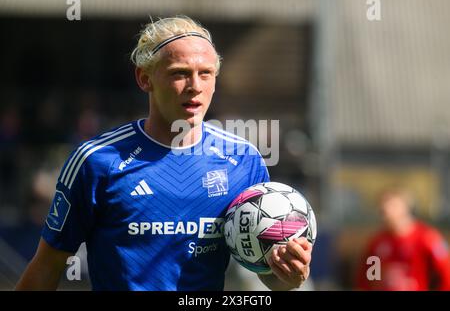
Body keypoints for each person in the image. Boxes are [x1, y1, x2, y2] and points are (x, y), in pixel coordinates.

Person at [15, 15, 312, 291]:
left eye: (205, 74)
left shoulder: (243, 161)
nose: (195, 86)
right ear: (145, 79)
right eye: (180, 74)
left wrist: (287, 275)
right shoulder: (96, 161)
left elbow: (266, 275)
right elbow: (47, 266)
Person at [356, 186, 450, 290]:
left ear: (405, 207)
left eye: (392, 205)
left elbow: (446, 274)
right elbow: (368, 278)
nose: (385, 209)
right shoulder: (377, 242)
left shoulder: (427, 238)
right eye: (382, 205)